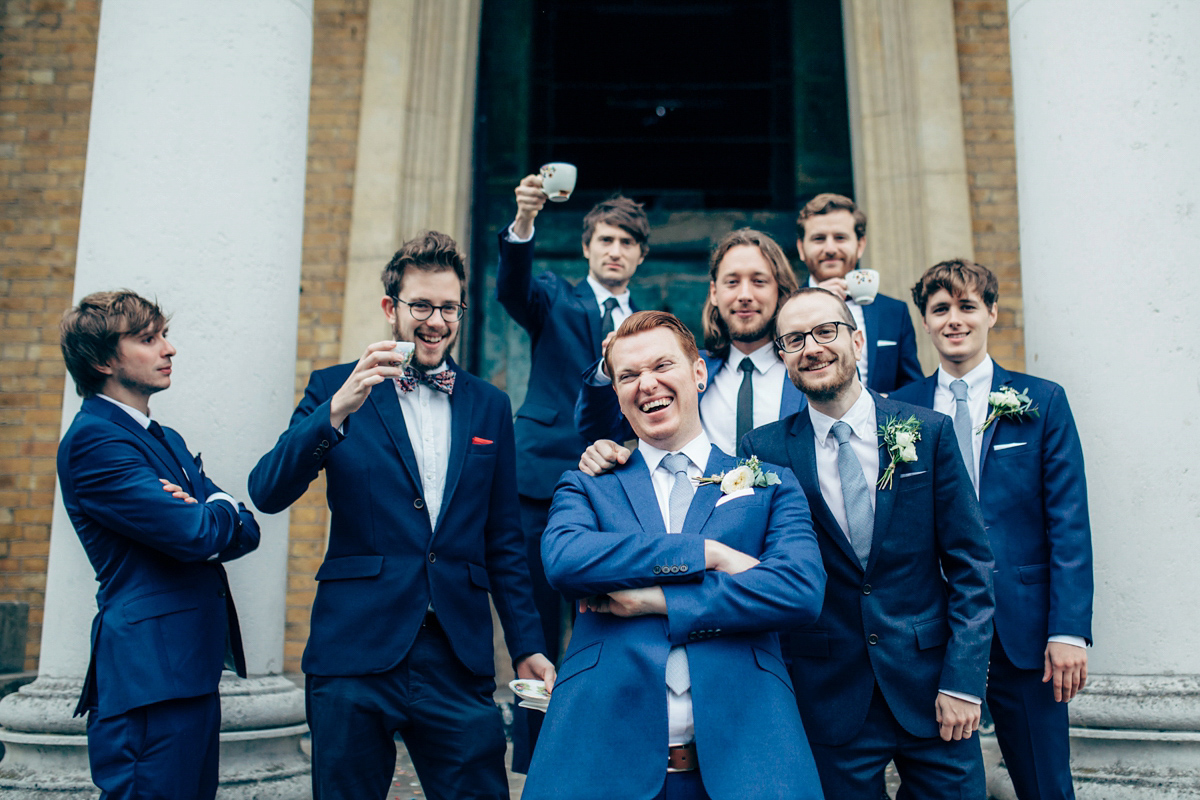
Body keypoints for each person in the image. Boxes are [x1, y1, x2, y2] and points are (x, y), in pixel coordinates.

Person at [249, 231, 554, 800]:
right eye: (421, 305)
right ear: (392, 308)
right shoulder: (333, 388)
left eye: (448, 307)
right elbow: (267, 489)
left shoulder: (489, 404)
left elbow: (504, 541)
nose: (435, 320)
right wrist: (338, 409)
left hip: (456, 654)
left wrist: (527, 644)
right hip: (354, 649)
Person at [524, 310, 827, 800]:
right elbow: (565, 558)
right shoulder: (587, 484)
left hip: (749, 757)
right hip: (599, 757)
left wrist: (657, 600)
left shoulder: (770, 484)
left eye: (662, 365)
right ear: (618, 395)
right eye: (628, 375)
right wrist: (705, 553)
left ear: (699, 373)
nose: (647, 384)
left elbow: (799, 591)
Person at [740, 288, 995, 799]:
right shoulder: (762, 450)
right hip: (828, 696)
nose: (811, 347)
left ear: (857, 340)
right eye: (793, 339)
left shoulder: (930, 432)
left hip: (934, 691)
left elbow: (971, 565)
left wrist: (964, 681)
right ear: (783, 355)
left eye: (825, 331)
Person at [890, 259, 1092, 800]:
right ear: (925, 323)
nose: (954, 319)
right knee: (939, 785)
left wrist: (1067, 630)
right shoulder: (896, 410)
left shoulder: (1041, 401)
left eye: (967, 306)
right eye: (940, 309)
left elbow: (1069, 522)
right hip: (931, 629)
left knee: (1045, 783)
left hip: (1021, 630)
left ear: (992, 313)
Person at [57, 290, 261, 800]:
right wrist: (213, 509)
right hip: (148, 679)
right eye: (148, 339)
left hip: (187, 671)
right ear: (103, 360)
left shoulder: (163, 438)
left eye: (164, 335)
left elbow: (245, 525)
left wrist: (209, 506)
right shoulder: (95, 442)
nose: (169, 349)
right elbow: (196, 533)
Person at [496, 173, 651, 768]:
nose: (615, 251)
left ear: (640, 255)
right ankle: (535, 759)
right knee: (537, 616)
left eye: (626, 243)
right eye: (605, 240)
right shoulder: (556, 297)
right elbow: (512, 286)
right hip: (540, 477)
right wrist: (525, 221)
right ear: (587, 246)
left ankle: (604, 744)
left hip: (614, 488)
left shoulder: (647, 323)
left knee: (609, 615)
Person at [575, 229, 805, 470]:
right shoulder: (683, 369)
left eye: (759, 281)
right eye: (732, 282)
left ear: (778, 289)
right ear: (715, 293)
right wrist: (610, 363)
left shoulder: (804, 369)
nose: (744, 295)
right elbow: (600, 428)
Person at [795, 193, 923, 393]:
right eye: (819, 239)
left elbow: (913, 390)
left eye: (840, 237)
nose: (830, 248)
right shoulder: (784, 309)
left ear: (860, 245)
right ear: (801, 248)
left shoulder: (894, 312)